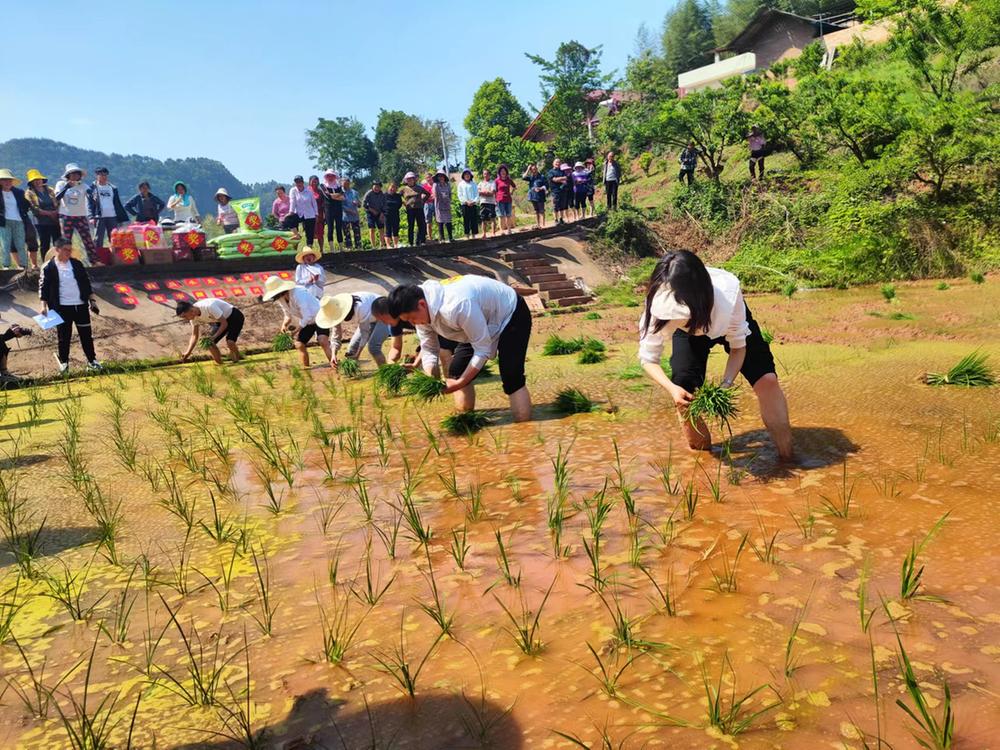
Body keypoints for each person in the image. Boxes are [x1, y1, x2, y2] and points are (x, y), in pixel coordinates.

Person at [638, 249, 792, 460]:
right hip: (688, 336)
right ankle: (703, 462)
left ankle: (787, 456)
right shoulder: (657, 303)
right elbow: (648, 358)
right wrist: (672, 389)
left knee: (767, 380)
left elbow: (739, 347)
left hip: (726, 321)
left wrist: (726, 383)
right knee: (683, 392)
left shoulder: (728, 294)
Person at [388, 275, 533, 422]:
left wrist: (460, 383)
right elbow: (429, 349)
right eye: (408, 321)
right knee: (456, 371)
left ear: (422, 304)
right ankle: (465, 420)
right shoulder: (421, 315)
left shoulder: (457, 305)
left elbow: (482, 350)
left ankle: (524, 426)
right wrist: (432, 379)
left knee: (511, 376)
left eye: (411, 318)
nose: (413, 324)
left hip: (510, 313)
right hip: (477, 323)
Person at [39, 237, 102, 373]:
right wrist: (43, 306)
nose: (68, 252)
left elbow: (86, 283)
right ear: (57, 250)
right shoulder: (48, 267)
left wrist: (92, 301)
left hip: (80, 306)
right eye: (65, 250)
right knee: (64, 337)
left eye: (70, 250)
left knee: (86, 335)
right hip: (61, 308)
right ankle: (64, 363)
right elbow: (43, 288)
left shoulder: (77, 264)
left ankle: (92, 361)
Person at [261, 276, 334, 369]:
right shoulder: (281, 299)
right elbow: (287, 315)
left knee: (322, 340)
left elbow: (307, 315)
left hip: (319, 316)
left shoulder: (299, 294)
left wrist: (295, 331)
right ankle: (306, 368)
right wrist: (284, 325)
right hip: (307, 321)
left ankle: (334, 364)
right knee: (299, 344)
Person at [371, 295, 457, 372]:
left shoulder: (411, 313)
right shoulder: (394, 324)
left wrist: (417, 362)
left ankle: (451, 381)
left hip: (442, 328)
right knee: (420, 358)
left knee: (443, 353)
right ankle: (434, 383)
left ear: (390, 312)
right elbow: (396, 347)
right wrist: (391, 363)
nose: (384, 323)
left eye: (383, 320)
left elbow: (429, 343)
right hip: (427, 334)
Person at [316, 291, 392, 369]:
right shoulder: (334, 310)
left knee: (373, 347)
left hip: (384, 314)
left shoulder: (360, 308)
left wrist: (358, 354)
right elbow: (336, 336)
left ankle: (385, 371)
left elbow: (365, 333)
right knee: (352, 349)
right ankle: (354, 374)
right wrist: (333, 355)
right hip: (368, 320)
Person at [176, 298, 244, 365]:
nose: (185, 319)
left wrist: (214, 336)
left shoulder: (209, 306)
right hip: (220, 321)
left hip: (234, 316)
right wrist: (188, 352)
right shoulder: (193, 318)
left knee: (230, 342)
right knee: (209, 343)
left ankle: (237, 359)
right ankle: (221, 364)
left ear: (191, 310)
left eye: (185, 316)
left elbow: (224, 323)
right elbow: (194, 335)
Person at [54, 163, 99, 264]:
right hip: (66, 216)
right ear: (68, 175)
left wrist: (93, 196)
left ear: (80, 175)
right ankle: (64, 261)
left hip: (81, 216)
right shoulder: (61, 184)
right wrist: (67, 187)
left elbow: (91, 194)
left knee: (87, 239)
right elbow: (56, 198)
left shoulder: (83, 186)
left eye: (77, 174)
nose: (75, 176)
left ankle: (94, 261)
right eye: (72, 174)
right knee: (66, 241)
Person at [24, 169, 59, 265]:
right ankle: (46, 263)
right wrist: (49, 213)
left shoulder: (50, 190)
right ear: (31, 182)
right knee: (44, 243)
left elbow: (58, 202)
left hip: (55, 220)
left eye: (39, 179)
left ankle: (59, 262)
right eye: (35, 180)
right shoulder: (29, 193)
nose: (38, 181)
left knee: (58, 242)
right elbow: (33, 208)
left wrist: (56, 212)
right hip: (41, 222)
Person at [87, 167, 128, 248]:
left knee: (114, 238)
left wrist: (121, 217)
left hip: (112, 216)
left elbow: (117, 203)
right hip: (99, 217)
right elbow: (89, 203)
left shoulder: (112, 188)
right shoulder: (92, 188)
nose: (104, 177)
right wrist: (91, 217)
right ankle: (98, 258)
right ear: (97, 176)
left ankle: (115, 258)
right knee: (98, 239)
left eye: (105, 175)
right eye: (101, 175)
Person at [0, 168, 31, 270]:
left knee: (20, 244)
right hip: (4, 221)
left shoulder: (19, 192)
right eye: (4, 180)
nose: (7, 182)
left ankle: (23, 266)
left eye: (9, 180)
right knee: (5, 244)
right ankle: (6, 266)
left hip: (18, 221)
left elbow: (26, 206)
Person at [286, 175, 318, 244]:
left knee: (309, 233)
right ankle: (296, 235)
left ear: (303, 182)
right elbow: (292, 201)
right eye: (297, 182)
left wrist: (316, 214)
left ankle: (309, 248)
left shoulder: (309, 191)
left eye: (300, 182)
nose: (299, 184)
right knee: (288, 219)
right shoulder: (293, 190)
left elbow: (314, 203)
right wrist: (291, 212)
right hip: (299, 213)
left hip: (309, 214)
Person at [400, 172, 428, 246]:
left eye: (411, 179)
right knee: (411, 226)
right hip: (410, 209)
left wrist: (423, 201)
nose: (410, 180)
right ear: (406, 180)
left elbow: (427, 194)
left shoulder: (419, 188)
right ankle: (410, 242)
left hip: (419, 208)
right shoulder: (404, 189)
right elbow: (398, 196)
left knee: (421, 225)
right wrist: (403, 203)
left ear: (414, 179)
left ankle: (422, 241)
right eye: (408, 179)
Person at [319, 170, 344, 249]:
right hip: (329, 209)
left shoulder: (338, 185)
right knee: (330, 228)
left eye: (332, 176)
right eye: (328, 176)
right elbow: (328, 196)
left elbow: (343, 197)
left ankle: (341, 247)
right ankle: (332, 248)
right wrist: (337, 195)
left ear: (334, 176)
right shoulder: (323, 185)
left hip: (338, 209)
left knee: (339, 227)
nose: (330, 177)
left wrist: (334, 196)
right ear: (326, 177)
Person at [362, 181, 387, 248]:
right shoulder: (369, 193)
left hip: (380, 212)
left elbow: (385, 205)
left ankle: (382, 245)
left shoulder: (382, 194)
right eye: (375, 186)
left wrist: (382, 214)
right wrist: (372, 210)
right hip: (370, 212)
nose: (376, 188)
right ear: (372, 186)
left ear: (380, 187)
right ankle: (373, 246)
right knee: (372, 228)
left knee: (381, 229)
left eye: (378, 186)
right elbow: (364, 204)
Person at [523, 164, 548, 229]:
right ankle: (538, 224)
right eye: (532, 169)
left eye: (535, 169)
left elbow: (546, 185)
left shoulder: (542, 177)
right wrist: (528, 169)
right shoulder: (531, 177)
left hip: (540, 196)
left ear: (537, 169)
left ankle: (543, 225)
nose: (534, 170)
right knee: (536, 211)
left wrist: (540, 188)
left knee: (541, 210)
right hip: (533, 196)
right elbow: (523, 177)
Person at [431, 171, 454, 242]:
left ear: (444, 177)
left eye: (442, 176)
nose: (441, 177)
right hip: (439, 205)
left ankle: (451, 237)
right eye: (439, 176)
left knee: (448, 221)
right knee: (440, 222)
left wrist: (449, 201)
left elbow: (450, 194)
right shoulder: (435, 185)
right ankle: (442, 238)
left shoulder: (447, 185)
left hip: (447, 205)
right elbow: (434, 193)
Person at [494, 164, 516, 234]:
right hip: (500, 200)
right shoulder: (497, 180)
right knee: (501, 215)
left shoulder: (508, 180)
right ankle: (501, 230)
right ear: (499, 172)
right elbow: (495, 191)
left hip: (508, 200)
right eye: (501, 171)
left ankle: (509, 229)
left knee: (508, 215)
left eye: (504, 171)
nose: (503, 172)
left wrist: (511, 192)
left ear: (506, 172)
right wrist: (495, 199)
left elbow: (514, 186)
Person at [457, 169, 479, 238]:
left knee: (474, 220)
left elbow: (477, 194)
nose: (467, 175)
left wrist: (473, 201)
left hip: (473, 204)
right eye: (465, 174)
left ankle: (474, 235)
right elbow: (460, 195)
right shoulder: (461, 184)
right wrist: (466, 202)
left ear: (470, 175)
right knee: (466, 220)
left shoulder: (474, 184)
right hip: (465, 205)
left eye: (468, 174)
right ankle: (467, 235)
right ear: (463, 176)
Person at [477, 169, 498, 238]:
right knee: (483, 219)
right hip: (483, 202)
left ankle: (493, 233)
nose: (486, 175)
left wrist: (484, 192)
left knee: (492, 218)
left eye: (487, 174)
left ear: (489, 175)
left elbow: (492, 193)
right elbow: (478, 192)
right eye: (484, 174)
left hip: (491, 202)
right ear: (483, 175)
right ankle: (484, 234)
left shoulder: (492, 183)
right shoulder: (480, 183)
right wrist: (486, 192)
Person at [341, 179, 361, 249]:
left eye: (347, 183)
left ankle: (358, 248)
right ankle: (349, 248)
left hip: (355, 217)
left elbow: (359, 204)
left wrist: (357, 203)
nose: (345, 184)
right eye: (344, 183)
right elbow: (341, 206)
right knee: (347, 235)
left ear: (349, 183)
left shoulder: (355, 192)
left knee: (357, 234)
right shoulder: (340, 193)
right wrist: (350, 211)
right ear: (341, 183)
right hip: (345, 217)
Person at [546, 159, 567, 224]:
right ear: (553, 163)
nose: (557, 163)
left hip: (562, 190)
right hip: (555, 191)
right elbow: (554, 179)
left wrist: (559, 179)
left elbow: (566, 179)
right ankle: (556, 220)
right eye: (556, 162)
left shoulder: (562, 171)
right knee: (555, 205)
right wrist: (561, 178)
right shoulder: (551, 172)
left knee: (562, 205)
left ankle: (561, 219)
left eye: (559, 162)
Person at [384, 181, 403, 248]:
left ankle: (395, 244)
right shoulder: (384, 195)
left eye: (394, 187)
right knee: (387, 230)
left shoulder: (398, 196)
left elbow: (400, 204)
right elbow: (382, 205)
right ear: (388, 187)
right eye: (392, 187)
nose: (393, 189)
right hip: (387, 215)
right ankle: (388, 245)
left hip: (395, 214)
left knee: (395, 229)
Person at [309, 175, 326, 251]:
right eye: (313, 181)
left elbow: (324, 203)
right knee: (310, 233)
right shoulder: (307, 191)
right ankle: (309, 250)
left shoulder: (320, 191)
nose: (314, 183)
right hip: (309, 215)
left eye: (316, 181)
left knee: (320, 233)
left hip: (319, 214)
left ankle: (321, 249)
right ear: (310, 182)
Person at [421, 172, 436, 242]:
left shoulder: (435, 185)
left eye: (429, 177)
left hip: (436, 203)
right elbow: (422, 196)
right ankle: (430, 237)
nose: (429, 179)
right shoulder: (424, 187)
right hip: (427, 204)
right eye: (427, 178)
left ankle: (441, 236)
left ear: (432, 177)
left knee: (438, 220)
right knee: (428, 222)